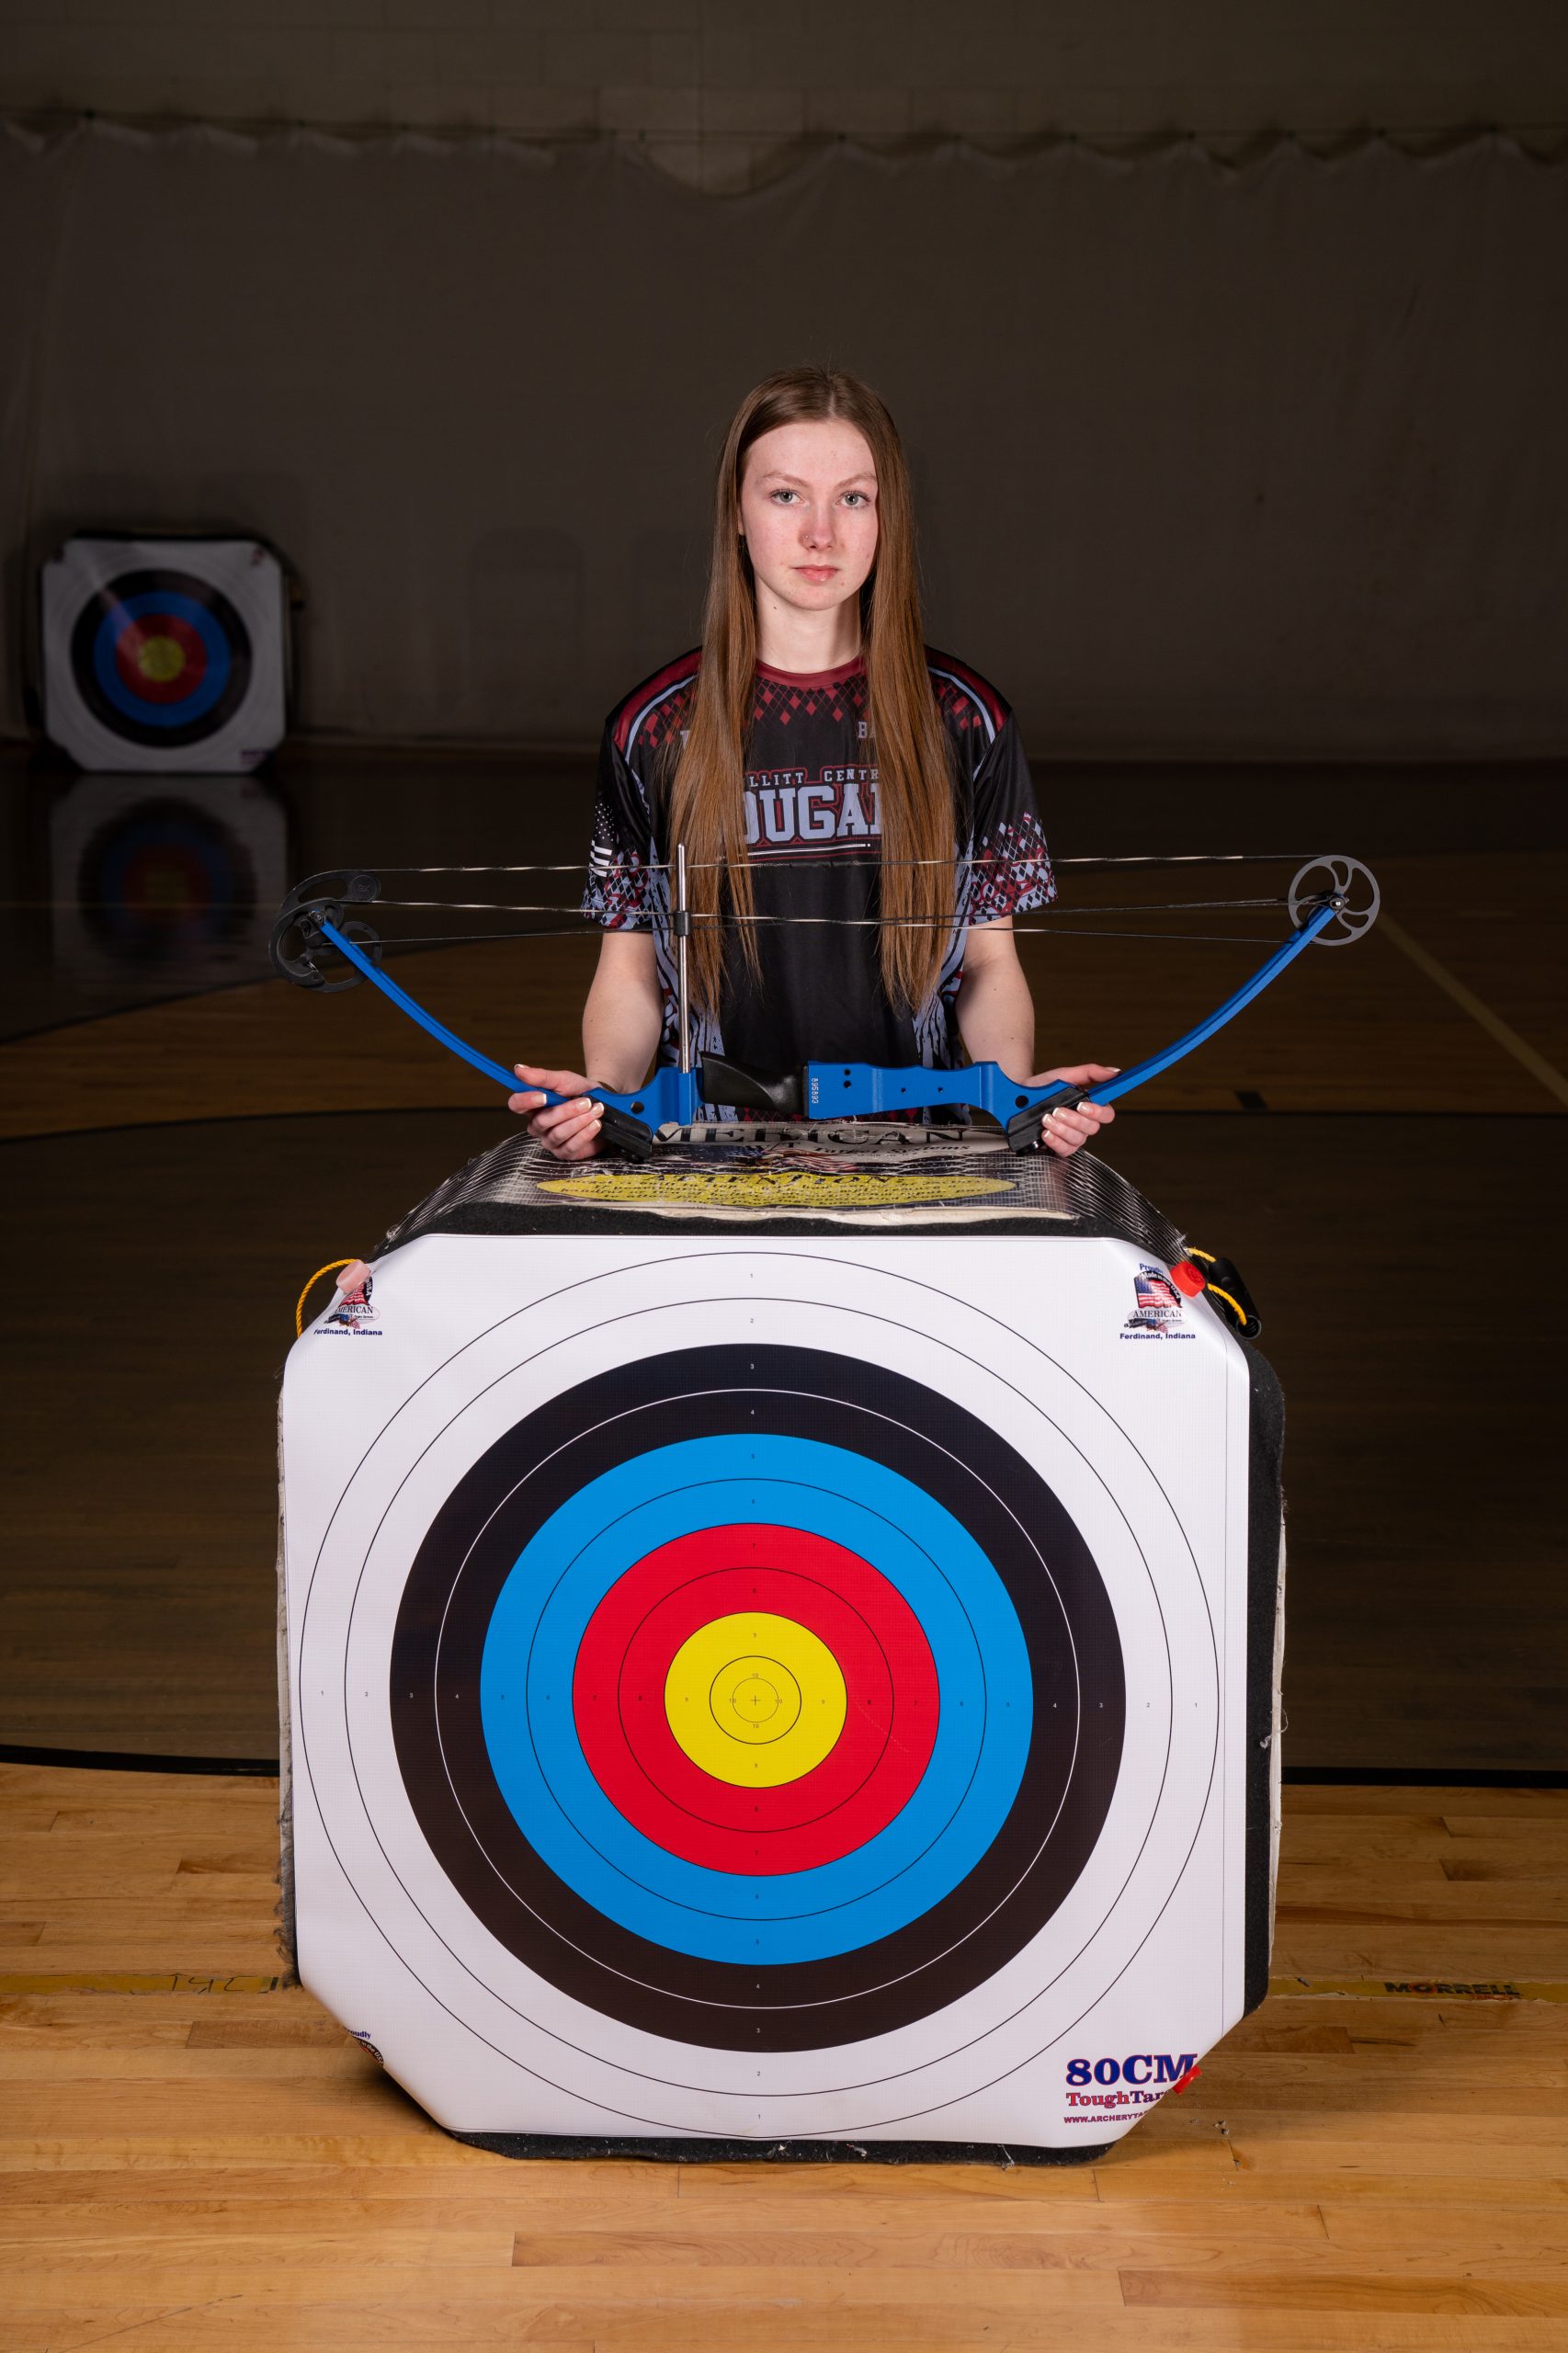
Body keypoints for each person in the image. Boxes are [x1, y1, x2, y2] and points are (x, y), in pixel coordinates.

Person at [510, 366, 1116, 1164]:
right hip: (709, 1155)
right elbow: (631, 972)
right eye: (786, 495)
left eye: (853, 498)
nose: (820, 534)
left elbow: (988, 961)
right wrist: (606, 1098)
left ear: (887, 516)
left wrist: (1014, 1094)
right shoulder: (652, 729)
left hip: (916, 1155)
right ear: (736, 511)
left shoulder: (967, 718)